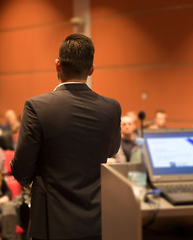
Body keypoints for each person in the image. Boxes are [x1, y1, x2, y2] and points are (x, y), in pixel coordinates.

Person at [11, 33, 121, 240]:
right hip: (97, 220)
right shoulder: (111, 108)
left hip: (51, 221)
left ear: (57, 65)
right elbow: (112, 150)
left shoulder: (37, 107)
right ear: (91, 69)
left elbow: (21, 169)